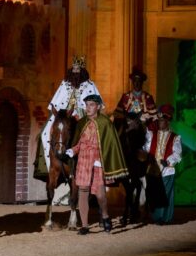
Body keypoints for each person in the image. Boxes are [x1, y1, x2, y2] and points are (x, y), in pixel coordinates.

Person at [65, 94, 128, 235]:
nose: (88, 108)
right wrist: (72, 151)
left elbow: (109, 145)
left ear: (98, 107)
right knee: (82, 191)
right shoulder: (81, 123)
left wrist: (101, 158)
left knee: (100, 195)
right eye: (87, 105)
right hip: (83, 161)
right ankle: (85, 225)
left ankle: (105, 216)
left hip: (97, 162)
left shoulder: (105, 123)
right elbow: (79, 143)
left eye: (91, 105)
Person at [34, 55, 100, 179]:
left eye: (78, 70)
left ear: (82, 71)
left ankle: (96, 168)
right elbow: (55, 102)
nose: (75, 72)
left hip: (82, 116)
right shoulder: (65, 84)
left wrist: (80, 113)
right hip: (63, 115)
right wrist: (57, 114)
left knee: (95, 134)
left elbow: (96, 105)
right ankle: (47, 167)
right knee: (44, 132)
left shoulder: (90, 85)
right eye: (74, 69)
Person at [143, 103, 182, 225]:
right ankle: (156, 217)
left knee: (166, 194)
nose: (159, 123)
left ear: (167, 122)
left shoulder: (175, 137)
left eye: (162, 121)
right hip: (153, 169)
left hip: (167, 170)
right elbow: (145, 147)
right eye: (158, 120)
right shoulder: (151, 135)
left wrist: (169, 161)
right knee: (154, 193)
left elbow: (177, 154)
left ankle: (165, 218)